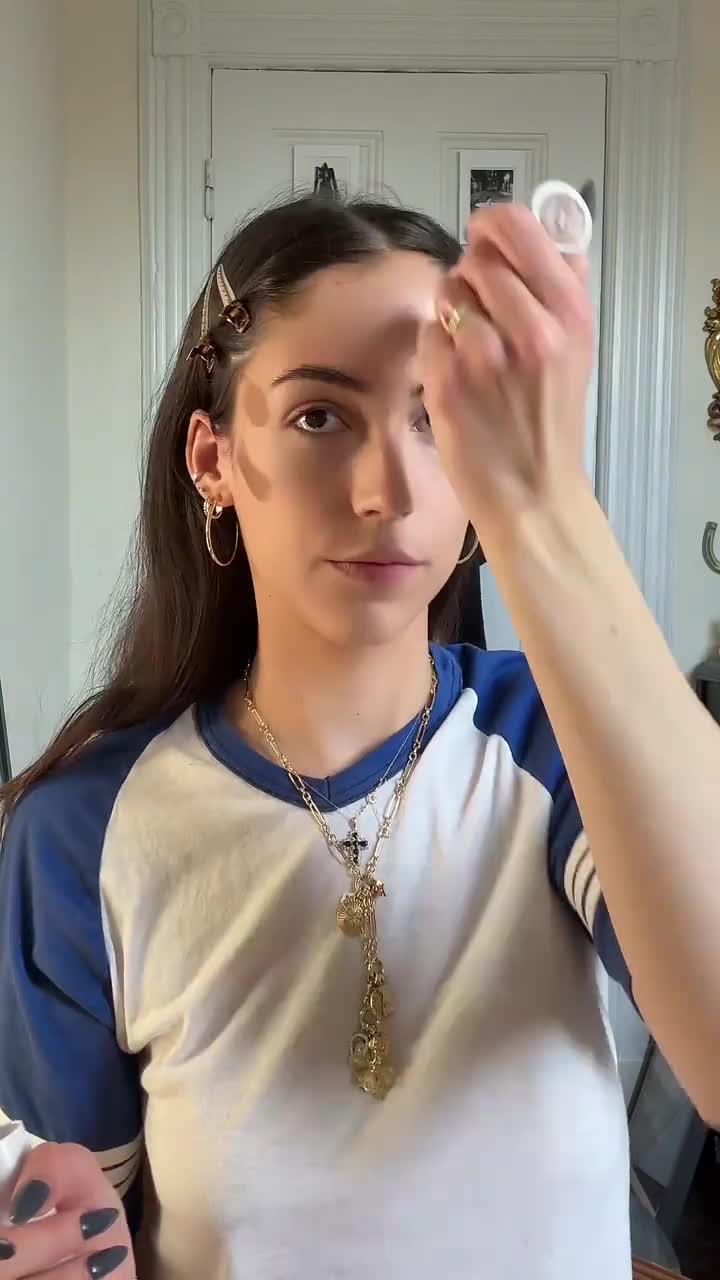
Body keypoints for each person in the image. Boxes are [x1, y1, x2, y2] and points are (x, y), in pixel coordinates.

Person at [0, 192, 718, 1280]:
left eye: (438, 418)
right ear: (211, 460)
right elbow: (76, 1220)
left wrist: (545, 500)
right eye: (319, 417)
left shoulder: (548, 738)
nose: (389, 490)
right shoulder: (81, 833)